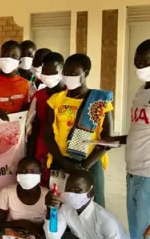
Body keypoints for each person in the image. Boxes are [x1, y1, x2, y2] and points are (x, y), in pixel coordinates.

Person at [107, 40, 150, 239]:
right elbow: (141, 131)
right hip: (134, 175)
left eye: (144, 61)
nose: (139, 66)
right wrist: (118, 140)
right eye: (136, 60)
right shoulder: (141, 92)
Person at [44, 53, 113, 207]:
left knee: (93, 206)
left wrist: (85, 166)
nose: (68, 77)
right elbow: (47, 135)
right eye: (66, 73)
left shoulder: (100, 100)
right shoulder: (56, 100)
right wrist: (63, 162)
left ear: (86, 73)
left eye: (74, 74)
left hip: (90, 162)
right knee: (59, 204)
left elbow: (108, 138)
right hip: (60, 160)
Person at [27, 52, 66, 186]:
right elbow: (32, 125)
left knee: (61, 185)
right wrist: (30, 154)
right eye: (45, 71)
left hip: (63, 146)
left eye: (52, 71)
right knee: (43, 183)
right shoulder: (38, 96)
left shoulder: (70, 94)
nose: (48, 75)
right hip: (42, 145)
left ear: (62, 71)